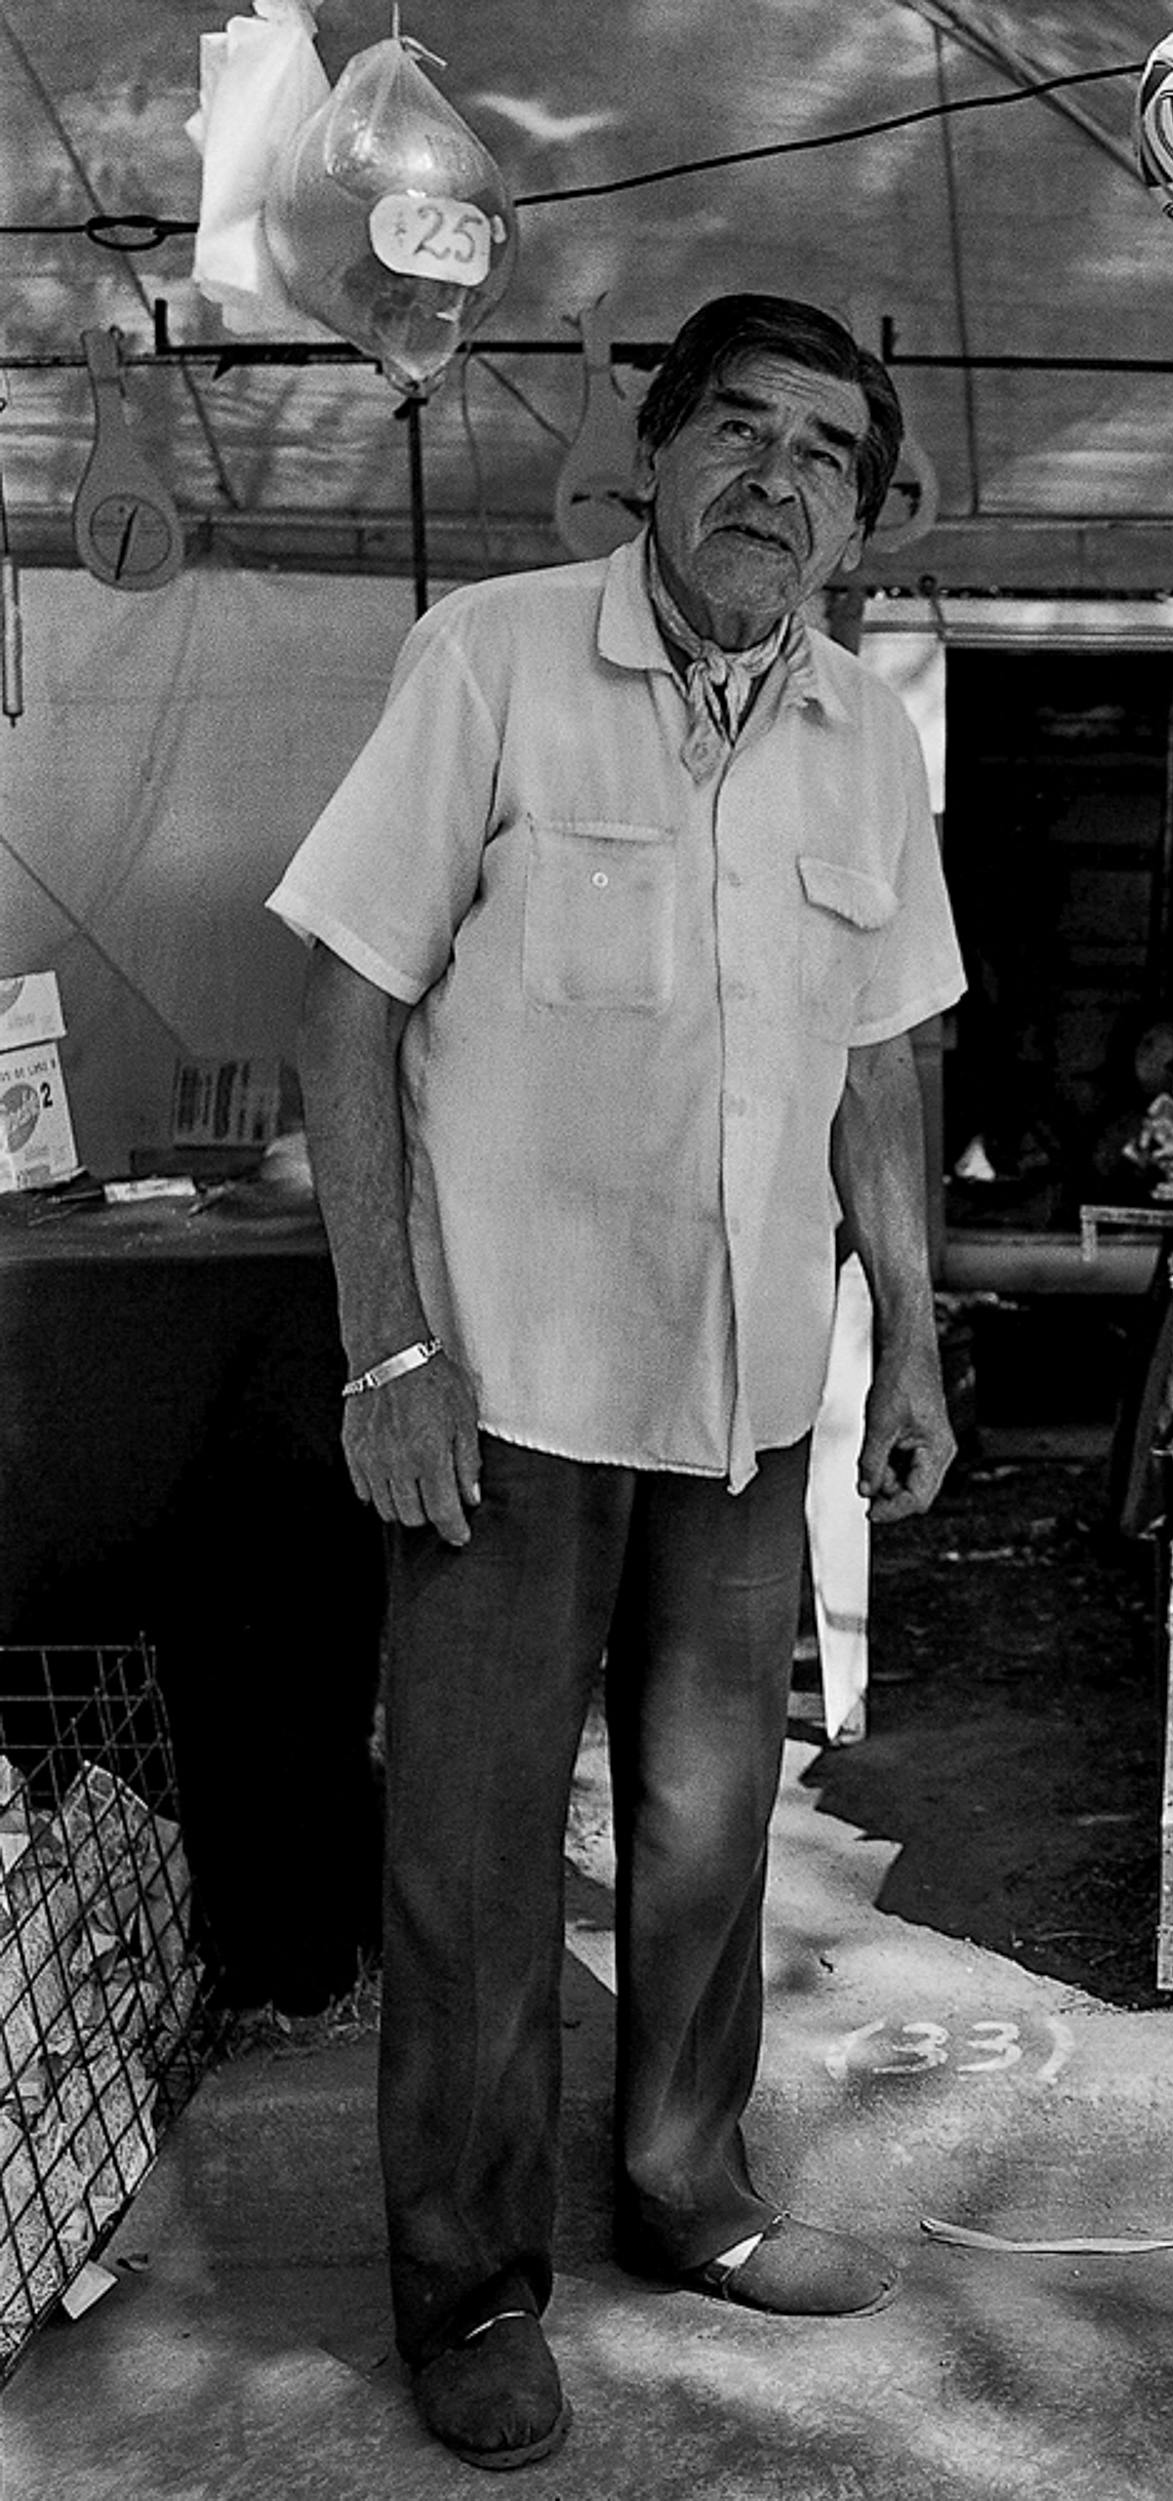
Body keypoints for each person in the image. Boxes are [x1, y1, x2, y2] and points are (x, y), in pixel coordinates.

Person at [268, 294, 965, 2472]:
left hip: (744, 1381)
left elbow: (880, 1059)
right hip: (509, 1382)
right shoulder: (486, 660)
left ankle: (684, 2187)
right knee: (474, 1859)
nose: (779, 479)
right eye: (739, 432)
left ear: (859, 522)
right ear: (649, 457)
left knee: (704, 1819)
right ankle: (466, 2283)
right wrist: (387, 1340)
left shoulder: (863, 730)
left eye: (827, 457)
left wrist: (915, 1332)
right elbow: (341, 1009)